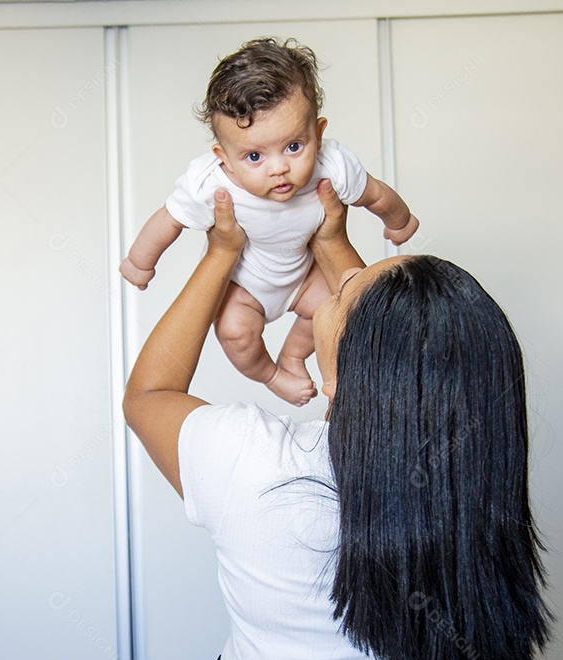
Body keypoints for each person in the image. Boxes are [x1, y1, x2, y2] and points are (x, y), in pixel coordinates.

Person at [123, 181, 551, 660]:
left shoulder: (253, 462)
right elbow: (394, 344)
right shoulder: (470, 469)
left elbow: (149, 395)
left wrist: (220, 253)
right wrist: (330, 237)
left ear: (345, 377)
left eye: (341, 293)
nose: (337, 281)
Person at [119, 38, 418, 407]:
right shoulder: (211, 182)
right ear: (224, 158)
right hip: (246, 285)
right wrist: (140, 261)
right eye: (254, 156)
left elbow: (375, 194)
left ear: (318, 134)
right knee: (234, 332)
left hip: (304, 276)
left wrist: (399, 221)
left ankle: (292, 356)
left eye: (293, 147)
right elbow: (169, 220)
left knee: (339, 309)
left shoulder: (333, 165)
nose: (279, 168)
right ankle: (272, 375)